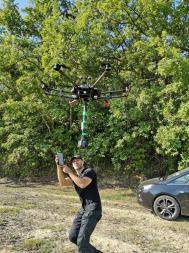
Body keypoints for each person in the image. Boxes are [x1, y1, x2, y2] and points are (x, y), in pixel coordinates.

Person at [55, 154, 102, 253]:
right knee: (73, 237)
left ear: (83, 161)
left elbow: (82, 183)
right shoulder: (76, 176)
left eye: (77, 160)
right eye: (73, 161)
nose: (75, 162)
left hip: (94, 208)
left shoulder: (89, 171)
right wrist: (59, 167)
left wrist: (69, 172)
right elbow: (62, 183)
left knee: (82, 242)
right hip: (84, 208)